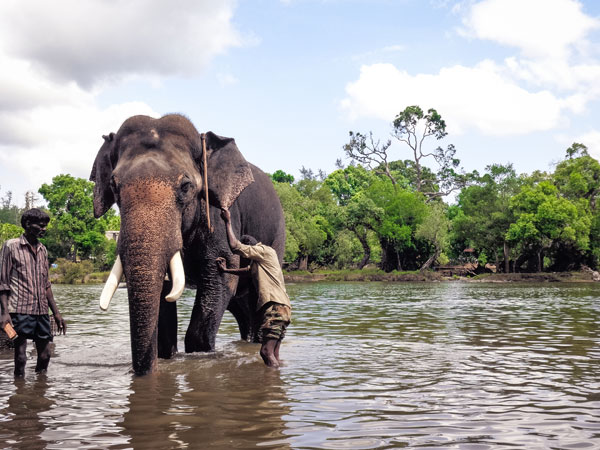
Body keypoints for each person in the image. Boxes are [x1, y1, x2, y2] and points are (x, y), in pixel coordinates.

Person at [217, 208, 291, 368]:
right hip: (283, 309)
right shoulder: (263, 262)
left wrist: (227, 221)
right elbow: (247, 271)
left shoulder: (264, 251)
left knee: (265, 352)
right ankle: (277, 386)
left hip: (274, 308)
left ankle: (269, 388)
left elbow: (235, 246)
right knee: (275, 354)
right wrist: (226, 270)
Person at [0, 208, 66, 377]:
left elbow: (46, 285)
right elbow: (3, 283)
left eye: (45, 226)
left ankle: (40, 389)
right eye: (41, 226)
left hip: (42, 311)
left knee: (45, 355)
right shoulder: (11, 246)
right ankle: (19, 391)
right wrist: (4, 313)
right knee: (20, 356)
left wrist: (56, 313)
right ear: (28, 224)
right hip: (19, 310)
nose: (44, 229)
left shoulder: (43, 250)